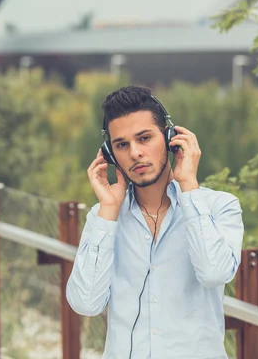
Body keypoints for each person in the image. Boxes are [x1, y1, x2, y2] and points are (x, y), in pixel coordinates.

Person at [66, 85, 244, 359]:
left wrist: (188, 186)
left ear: (170, 138)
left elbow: (214, 273)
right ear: (110, 154)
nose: (135, 153)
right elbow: (85, 303)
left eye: (145, 138)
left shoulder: (219, 206)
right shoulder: (103, 218)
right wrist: (108, 211)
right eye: (122, 145)